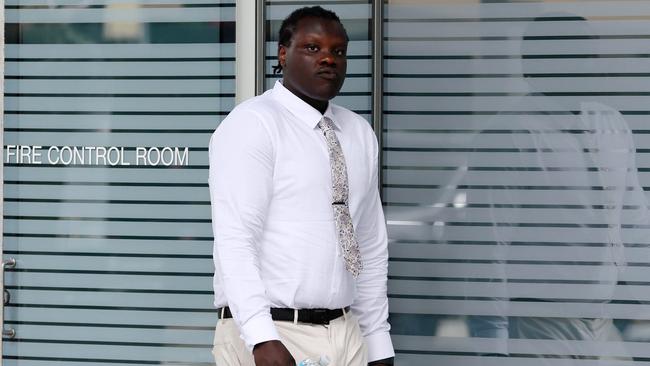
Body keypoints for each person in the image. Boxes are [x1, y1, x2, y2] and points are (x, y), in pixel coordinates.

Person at [208, 6, 394, 366]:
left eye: (338, 52)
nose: (328, 59)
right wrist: (262, 338)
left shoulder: (358, 133)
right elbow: (236, 241)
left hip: (346, 331)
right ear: (283, 54)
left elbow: (369, 245)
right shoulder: (253, 125)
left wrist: (376, 339)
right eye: (313, 48)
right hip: (274, 333)